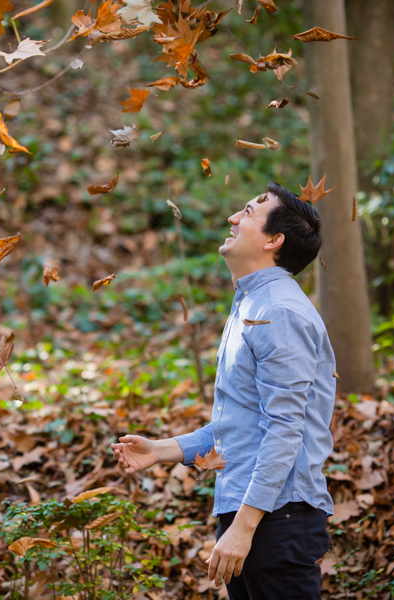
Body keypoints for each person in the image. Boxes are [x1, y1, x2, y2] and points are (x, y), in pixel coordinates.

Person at [111, 181, 336, 599]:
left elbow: (286, 429)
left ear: (274, 240)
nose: (233, 218)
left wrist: (245, 527)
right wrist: (161, 450)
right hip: (250, 513)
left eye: (248, 212)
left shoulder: (279, 312)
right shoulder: (251, 305)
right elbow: (241, 427)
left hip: (276, 518)